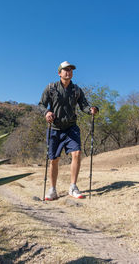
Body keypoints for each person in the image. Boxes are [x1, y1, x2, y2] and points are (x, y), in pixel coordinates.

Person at [39, 61, 98, 200]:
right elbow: (41, 104)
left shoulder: (76, 90)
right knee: (54, 160)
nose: (68, 72)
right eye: (65, 70)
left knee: (77, 153)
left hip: (71, 127)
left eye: (71, 70)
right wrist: (47, 112)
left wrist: (91, 110)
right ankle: (52, 190)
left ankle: (73, 187)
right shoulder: (51, 88)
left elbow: (84, 105)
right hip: (54, 128)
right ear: (59, 73)